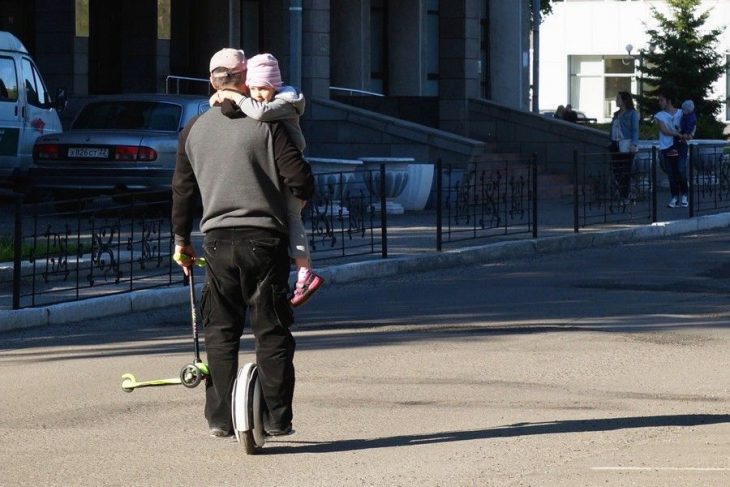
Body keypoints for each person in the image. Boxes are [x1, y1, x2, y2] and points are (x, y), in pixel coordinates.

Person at [172, 48, 315, 438]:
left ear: (211, 81)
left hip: (216, 241)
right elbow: (301, 180)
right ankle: (276, 418)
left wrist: (181, 240)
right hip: (265, 240)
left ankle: (219, 417)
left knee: (220, 330)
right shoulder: (269, 126)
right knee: (271, 330)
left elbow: (182, 191)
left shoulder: (194, 130)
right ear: (245, 77)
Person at [211, 53, 323, 307]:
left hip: (291, 168)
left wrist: (233, 95)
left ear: (274, 86)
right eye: (253, 88)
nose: (258, 93)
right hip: (277, 170)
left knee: (293, 218)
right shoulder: (264, 99)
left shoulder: (286, 101)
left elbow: (258, 112)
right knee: (284, 219)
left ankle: (305, 272)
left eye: (263, 88)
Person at [654, 91, 685, 208]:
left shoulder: (681, 113)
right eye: (659, 100)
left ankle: (684, 194)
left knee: (681, 169)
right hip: (666, 147)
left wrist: (689, 133)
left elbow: (691, 123)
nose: (659, 102)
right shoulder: (659, 115)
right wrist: (678, 134)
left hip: (679, 145)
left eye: (661, 100)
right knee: (671, 173)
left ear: (669, 101)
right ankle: (674, 197)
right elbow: (664, 130)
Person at [609, 91, 640, 203]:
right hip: (615, 144)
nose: (616, 101)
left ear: (625, 100)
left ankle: (625, 196)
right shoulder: (616, 114)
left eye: (618, 99)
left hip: (627, 144)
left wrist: (634, 143)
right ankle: (622, 194)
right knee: (617, 170)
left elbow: (635, 129)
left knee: (625, 171)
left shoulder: (632, 114)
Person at [674, 99, 697, 190]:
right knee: (677, 166)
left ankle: (683, 186)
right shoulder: (685, 114)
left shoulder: (689, 117)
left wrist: (688, 134)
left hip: (683, 137)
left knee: (681, 166)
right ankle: (680, 185)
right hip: (679, 137)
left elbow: (691, 126)